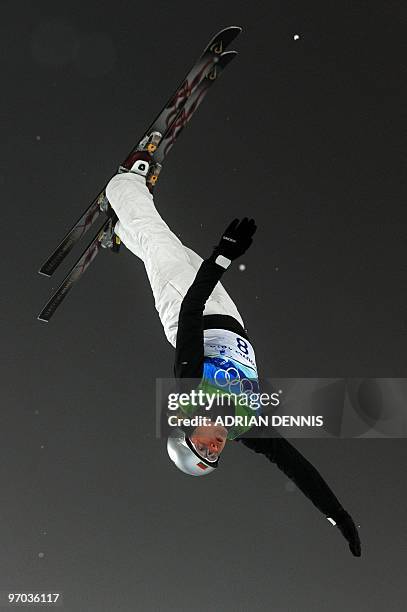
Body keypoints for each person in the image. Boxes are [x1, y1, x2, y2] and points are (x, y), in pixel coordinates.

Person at [105, 152, 362, 557]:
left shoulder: (191, 390)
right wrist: (338, 515)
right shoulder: (245, 425)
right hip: (229, 314)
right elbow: (297, 467)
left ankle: (123, 184)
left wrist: (223, 257)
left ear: (188, 432)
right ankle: (121, 227)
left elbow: (190, 310)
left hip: (186, 305)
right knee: (174, 248)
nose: (215, 447)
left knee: (160, 242)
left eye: (202, 448)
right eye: (214, 456)